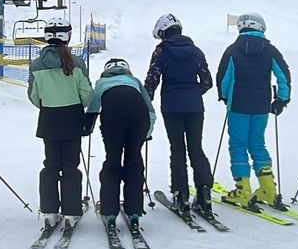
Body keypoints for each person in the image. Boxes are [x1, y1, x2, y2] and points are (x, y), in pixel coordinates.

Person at [216, 12, 291, 207]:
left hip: (238, 105)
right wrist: (282, 99)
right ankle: (268, 189)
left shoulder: (232, 50)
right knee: (257, 143)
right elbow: (283, 75)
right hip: (261, 105)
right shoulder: (270, 50)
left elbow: (223, 77)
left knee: (238, 145)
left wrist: (224, 96)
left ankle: (243, 190)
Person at [144, 14, 214, 216]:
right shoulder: (196, 51)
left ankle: (180, 195)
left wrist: (145, 103)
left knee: (177, 149)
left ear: (163, 33)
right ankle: (204, 193)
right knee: (196, 148)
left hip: (172, 106)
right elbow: (207, 81)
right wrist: (193, 92)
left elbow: (152, 81)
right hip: (195, 107)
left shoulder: (161, 52)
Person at [27, 14, 93, 230]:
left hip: (49, 119)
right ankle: (71, 212)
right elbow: (87, 93)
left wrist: (49, 103)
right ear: (68, 36)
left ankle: (49, 210)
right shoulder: (77, 63)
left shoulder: (37, 65)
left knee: (51, 164)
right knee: (70, 166)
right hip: (72, 118)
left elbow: (34, 96)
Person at [86, 58, 155, 232]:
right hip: (139, 119)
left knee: (112, 161)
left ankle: (109, 211)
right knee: (134, 161)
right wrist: (146, 134)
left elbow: (93, 108)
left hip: (112, 120)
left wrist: (86, 128)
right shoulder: (134, 81)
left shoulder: (101, 82)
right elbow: (150, 110)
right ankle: (134, 212)